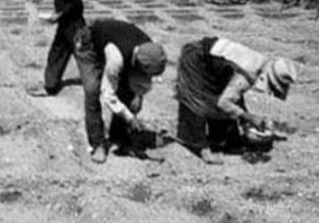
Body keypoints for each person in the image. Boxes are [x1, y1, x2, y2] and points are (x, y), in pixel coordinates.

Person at [175, 36, 297, 164]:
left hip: (216, 64)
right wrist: (248, 116)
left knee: (222, 94)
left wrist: (245, 119)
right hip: (197, 57)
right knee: (197, 101)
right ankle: (199, 146)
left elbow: (234, 96)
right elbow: (223, 103)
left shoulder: (259, 64)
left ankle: (225, 140)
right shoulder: (248, 73)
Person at [79, 18, 168, 163]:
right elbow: (107, 93)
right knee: (92, 90)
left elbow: (143, 80)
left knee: (127, 90)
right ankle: (98, 144)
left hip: (118, 42)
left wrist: (138, 95)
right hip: (89, 43)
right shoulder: (116, 58)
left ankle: (119, 135)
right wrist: (129, 116)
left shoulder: (150, 50)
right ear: (137, 66)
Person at [37, 0, 87, 97]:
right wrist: (58, 15)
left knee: (85, 56)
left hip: (74, 24)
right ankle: (50, 87)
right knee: (56, 54)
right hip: (65, 24)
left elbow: (77, 4)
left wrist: (59, 15)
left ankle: (104, 83)